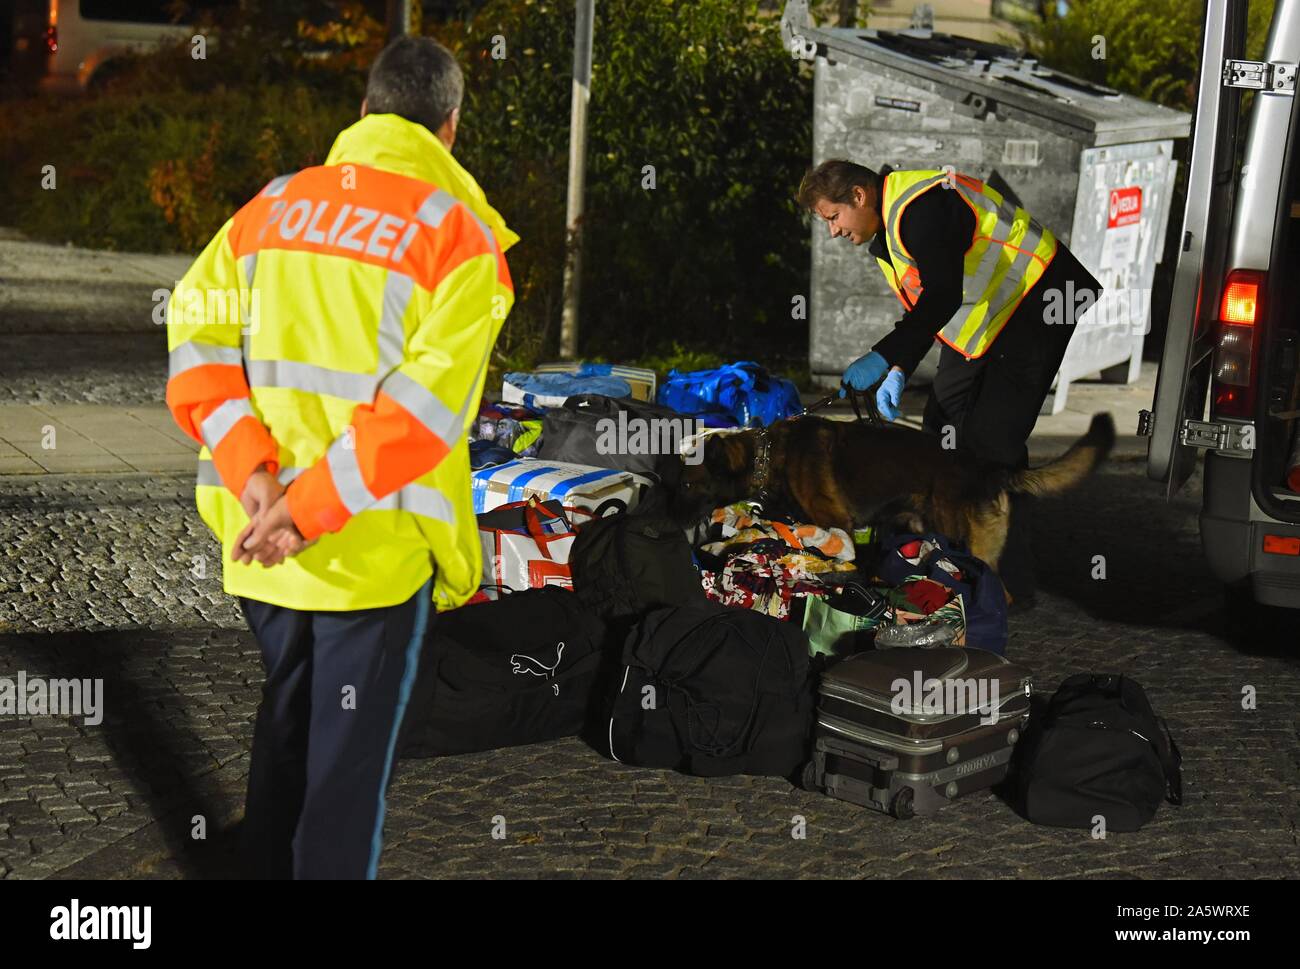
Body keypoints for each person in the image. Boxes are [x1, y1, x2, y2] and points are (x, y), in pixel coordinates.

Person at [164, 35, 517, 878]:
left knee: (287, 724)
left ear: (362, 112)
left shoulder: (271, 206)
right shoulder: (461, 239)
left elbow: (194, 329)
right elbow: (423, 412)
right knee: (346, 771)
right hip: (372, 546)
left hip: (262, 540)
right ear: (451, 129)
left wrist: (257, 478)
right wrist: (309, 509)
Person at [797, 159, 1102, 609]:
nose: (833, 232)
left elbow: (942, 296)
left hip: (1041, 297)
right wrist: (900, 367)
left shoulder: (920, 210)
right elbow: (927, 306)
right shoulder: (891, 228)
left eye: (832, 217)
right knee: (941, 426)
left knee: (990, 443)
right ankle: (948, 556)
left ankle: (1005, 582)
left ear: (858, 196)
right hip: (991, 315)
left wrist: (883, 355)